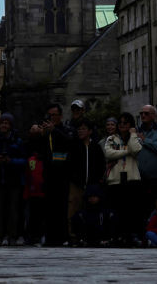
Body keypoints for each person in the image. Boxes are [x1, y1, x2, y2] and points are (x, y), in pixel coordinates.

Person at [0, 112, 24, 247]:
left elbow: (24, 161)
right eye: (2, 123)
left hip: (13, 181)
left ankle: (12, 236)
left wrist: (11, 161)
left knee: (13, 210)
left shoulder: (18, 141)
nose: (4, 125)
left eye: (6, 123)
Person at [103, 112, 144, 246]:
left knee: (131, 210)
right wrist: (127, 152)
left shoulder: (135, 137)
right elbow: (109, 153)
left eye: (125, 123)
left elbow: (137, 150)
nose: (122, 125)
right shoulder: (111, 138)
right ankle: (117, 236)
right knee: (117, 210)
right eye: (119, 123)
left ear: (131, 125)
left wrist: (132, 134)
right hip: (116, 179)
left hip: (132, 179)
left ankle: (131, 235)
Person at [67, 118, 103, 246]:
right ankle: (73, 236)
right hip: (76, 184)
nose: (80, 131)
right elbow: (69, 164)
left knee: (90, 210)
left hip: (91, 185)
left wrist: (97, 181)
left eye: (83, 129)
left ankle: (89, 236)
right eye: (79, 129)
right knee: (73, 208)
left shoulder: (96, 147)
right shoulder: (74, 145)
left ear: (90, 131)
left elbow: (100, 165)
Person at [40, 103, 72, 247]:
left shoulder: (65, 129)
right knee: (49, 207)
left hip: (63, 174)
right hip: (48, 173)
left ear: (60, 116)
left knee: (61, 207)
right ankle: (50, 237)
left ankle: (62, 236)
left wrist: (55, 131)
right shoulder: (46, 132)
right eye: (50, 115)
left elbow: (70, 142)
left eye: (55, 115)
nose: (52, 118)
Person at [136, 104, 157, 211]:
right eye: (141, 113)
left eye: (146, 113)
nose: (143, 115)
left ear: (154, 115)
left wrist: (145, 140)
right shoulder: (137, 131)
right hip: (140, 178)